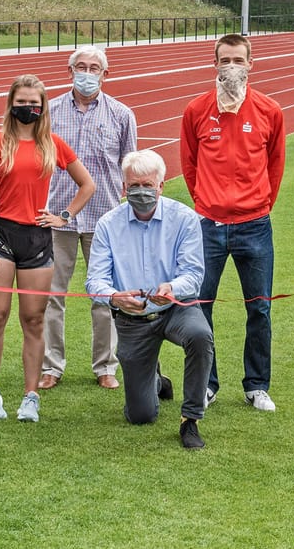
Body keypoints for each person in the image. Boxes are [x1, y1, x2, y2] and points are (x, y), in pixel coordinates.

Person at [0, 75, 95, 422]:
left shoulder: (53, 144)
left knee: (33, 318)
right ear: (11, 104)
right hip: (2, 236)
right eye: (22, 102)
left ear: (42, 107)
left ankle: (30, 396)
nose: (28, 108)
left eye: (34, 103)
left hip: (38, 238)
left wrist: (63, 216)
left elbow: (86, 184)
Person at [179, 33, 285, 412]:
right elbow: (189, 164)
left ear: (251, 64)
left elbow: (275, 164)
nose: (232, 68)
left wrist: (258, 204)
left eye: (238, 60)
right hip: (207, 226)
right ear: (215, 63)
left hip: (254, 225)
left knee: (259, 307)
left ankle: (257, 385)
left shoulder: (270, 110)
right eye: (225, 60)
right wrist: (206, 201)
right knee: (199, 306)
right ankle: (207, 384)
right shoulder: (196, 110)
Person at [87, 150, 212, 449]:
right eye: (133, 186)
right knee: (140, 415)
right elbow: (95, 281)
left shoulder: (184, 219)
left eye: (147, 185)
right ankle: (157, 382)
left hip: (174, 309)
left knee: (200, 335)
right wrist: (115, 298)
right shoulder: (108, 224)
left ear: (161, 186)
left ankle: (190, 419)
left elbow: (194, 274)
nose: (140, 192)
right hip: (133, 318)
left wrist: (171, 287)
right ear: (123, 188)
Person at [40, 46, 137, 391]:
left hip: (104, 219)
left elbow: (131, 168)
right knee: (53, 294)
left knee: (104, 296)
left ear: (105, 74)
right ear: (69, 70)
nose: (87, 72)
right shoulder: (48, 112)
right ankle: (51, 366)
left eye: (94, 67)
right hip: (58, 219)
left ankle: (105, 366)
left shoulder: (122, 115)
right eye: (81, 66)